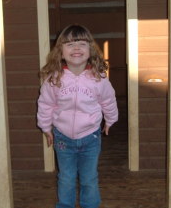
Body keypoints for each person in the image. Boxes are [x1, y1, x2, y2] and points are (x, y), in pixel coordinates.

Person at [37, 24, 118, 208]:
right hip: (63, 137)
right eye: (70, 44)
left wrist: (110, 120)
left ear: (90, 50)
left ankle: (90, 205)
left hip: (91, 136)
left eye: (81, 43)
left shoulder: (99, 78)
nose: (76, 48)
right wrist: (46, 127)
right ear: (60, 52)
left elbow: (109, 101)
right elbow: (46, 104)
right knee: (66, 177)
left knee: (89, 177)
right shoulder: (54, 79)